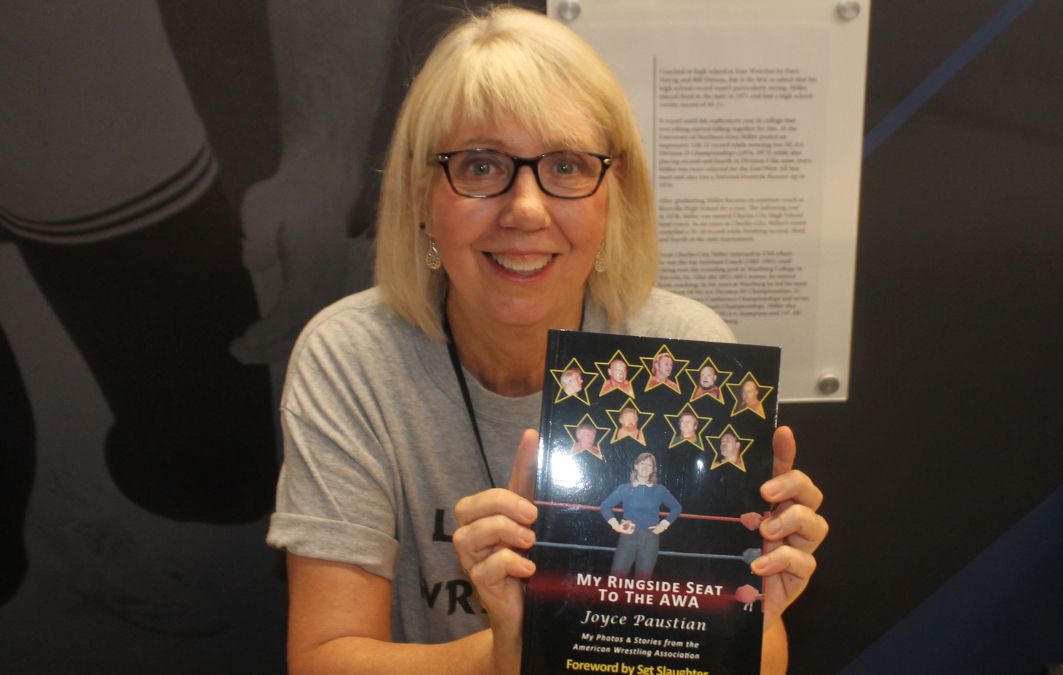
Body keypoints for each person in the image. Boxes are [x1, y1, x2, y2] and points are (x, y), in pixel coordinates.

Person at [266, 7, 827, 675]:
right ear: (421, 197)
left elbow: (758, 662)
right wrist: (508, 651)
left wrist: (750, 616)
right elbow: (324, 659)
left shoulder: (684, 351)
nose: (526, 209)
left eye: (566, 165)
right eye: (480, 165)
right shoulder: (351, 359)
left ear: (613, 197)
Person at [598, 453, 680, 579]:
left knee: (643, 582)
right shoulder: (624, 488)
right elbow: (605, 506)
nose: (645, 467)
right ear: (636, 466)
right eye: (642, 463)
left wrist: (663, 525)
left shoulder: (660, 490)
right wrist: (616, 525)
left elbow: (676, 508)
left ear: (653, 469)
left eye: (649, 465)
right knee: (616, 579)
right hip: (628, 537)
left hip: (650, 539)